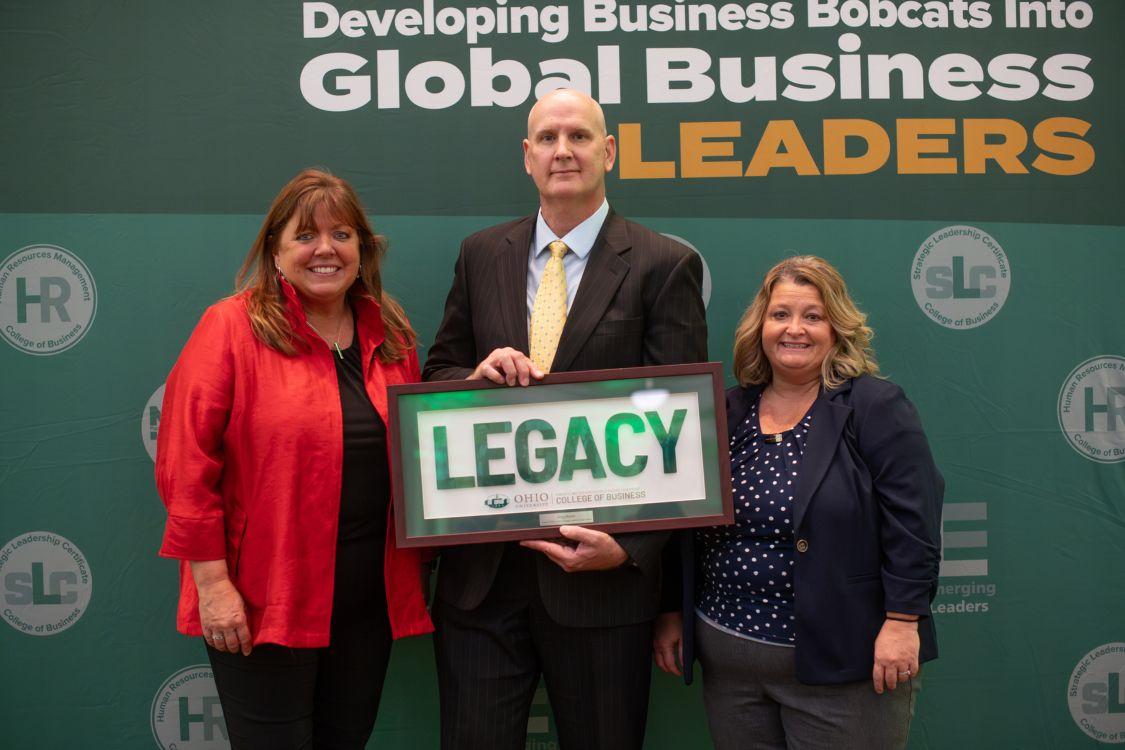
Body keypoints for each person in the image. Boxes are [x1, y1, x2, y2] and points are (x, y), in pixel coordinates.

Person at [422, 88, 707, 749]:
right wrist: (472, 379)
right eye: (546, 139)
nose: (562, 151)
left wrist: (631, 549)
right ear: (526, 157)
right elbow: (437, 376)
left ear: (608, 151)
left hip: (604, 585)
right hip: (482, 584)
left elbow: (681, 431)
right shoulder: (479, 254)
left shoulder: (663, 266)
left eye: (578, 136)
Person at [155, 169, 433, 750]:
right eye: (306, 235)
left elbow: (422, 449)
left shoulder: (394, 335)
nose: (326, 249)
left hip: (366, 602)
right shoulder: (230, 327)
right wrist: (213, 585)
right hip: (263, 598)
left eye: (343, 234)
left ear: (363, 248)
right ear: (275, 251)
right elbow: (186, 466)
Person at [654, 255, 943, 749]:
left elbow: (914, 522)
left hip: (845, 667)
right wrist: (669, 611)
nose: (795, 329)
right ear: (759, 327)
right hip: (730, 669)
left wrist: (902, 621)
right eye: (780, 315)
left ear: (838, 329)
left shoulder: (873, 406)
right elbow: (680, 517)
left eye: (813, 316)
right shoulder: (726, 410)